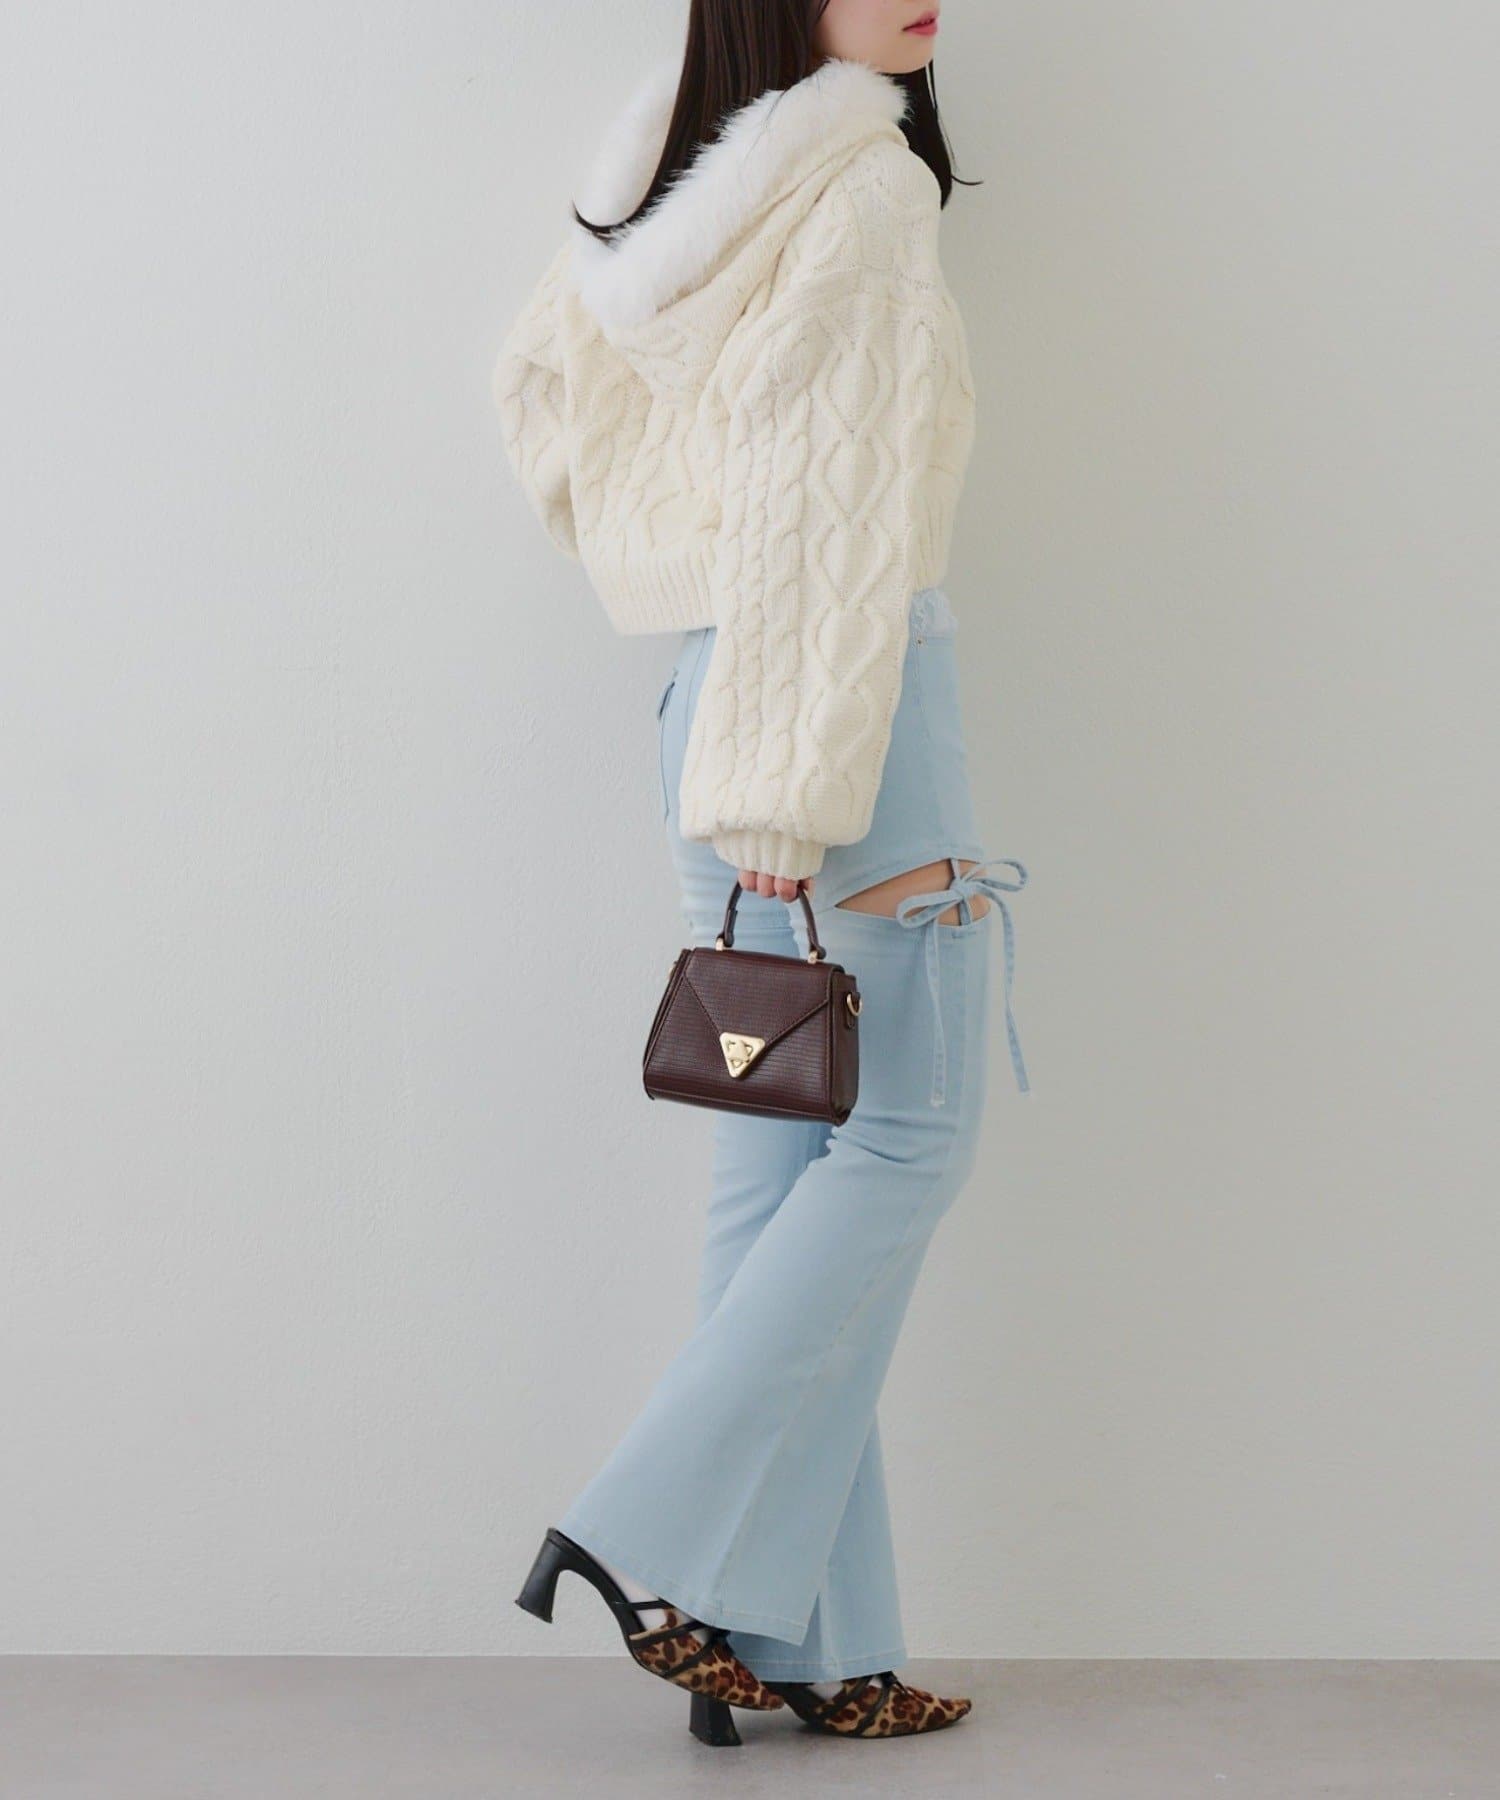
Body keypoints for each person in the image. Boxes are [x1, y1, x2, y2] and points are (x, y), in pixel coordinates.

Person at [492, 0, 1030, 1750]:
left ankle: (799, 1641)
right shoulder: (861, 187)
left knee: (781, 1173)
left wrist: (677, 581)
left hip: (714, 693)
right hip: (842, 701)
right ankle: (646, 1536)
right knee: (907, 1138)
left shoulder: (664, 187)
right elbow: (826, 512)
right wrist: (792, 796)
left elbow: (540, 393)